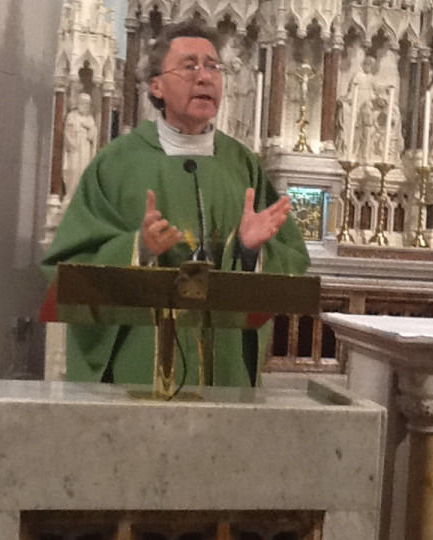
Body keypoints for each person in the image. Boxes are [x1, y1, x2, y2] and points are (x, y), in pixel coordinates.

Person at [42, 19, 310, 387]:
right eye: (189, 66)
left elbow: (292, 262)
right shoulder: (117, 164)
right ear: (156, 85)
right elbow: (66, 270)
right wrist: (138, 250)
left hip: (222, 369)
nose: (204, 77)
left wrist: (249, 252)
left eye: (212, 66)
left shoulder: (243, 165)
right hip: (138, 368)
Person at [62, 92, 98, 206]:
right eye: (83, 103)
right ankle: (70, 195)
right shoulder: (72, 116)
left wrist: (90, 128)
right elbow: (67, 132)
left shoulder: (90, 118)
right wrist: (72, 144)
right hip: (74, 149)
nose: (85, 106)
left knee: (83, 171)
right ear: (78, 103)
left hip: (85, 148)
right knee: (73, 170)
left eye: (87, 104)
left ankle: (81, 197)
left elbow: (92, 136)